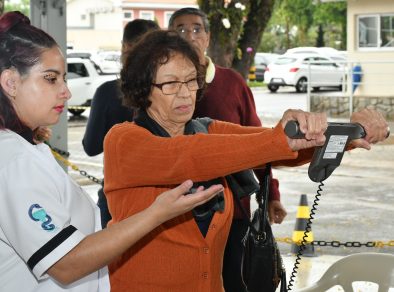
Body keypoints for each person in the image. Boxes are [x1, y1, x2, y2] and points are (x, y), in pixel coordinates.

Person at [103, 29, 389, 291]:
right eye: (170, 83)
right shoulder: (124, 141)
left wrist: (347, 135)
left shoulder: (207, 129)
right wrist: (279, 139)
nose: (184, 92)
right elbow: (189, 157)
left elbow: (273, 148)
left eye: (191, 80)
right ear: (143, 89)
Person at [0, 11, 224, 291]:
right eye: (50, 78)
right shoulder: (12, 161)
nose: (66, 92)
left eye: (64, 78)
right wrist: (157, 214)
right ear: (10, 83)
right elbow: (66, 263)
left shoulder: (28, 148)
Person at [168, 8, 286, 291]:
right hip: (177, 213)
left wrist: (272, 194)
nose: (189, 35)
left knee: (234, 281)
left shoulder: (231, 82)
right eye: (180, 29)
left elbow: (259, 142)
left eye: (197, 29)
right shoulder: (159, 84)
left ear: (207, 37)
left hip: (234, 211)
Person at [83, 19, 159, 228]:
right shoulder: (168, 91)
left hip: (117, 195)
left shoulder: (108, 92)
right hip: (162, 197)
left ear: (125, 47)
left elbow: (90, 147)